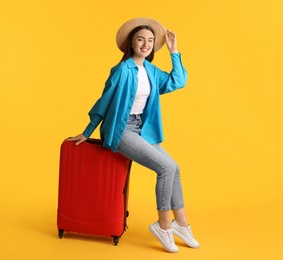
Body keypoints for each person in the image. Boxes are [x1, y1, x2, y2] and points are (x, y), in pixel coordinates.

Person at [67, 17, 199, 253]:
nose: (146, 44)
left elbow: (178, 81)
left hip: (142, 129)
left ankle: (181, 224)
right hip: (121, 130)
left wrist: (174, 52)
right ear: (131, 43)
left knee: (174, 167)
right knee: (166, 168)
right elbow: (104, 102)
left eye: (150, 41)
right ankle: (163, 225)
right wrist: (88, 132)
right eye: (141, 39)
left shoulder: (150, 70)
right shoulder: (121, 70)